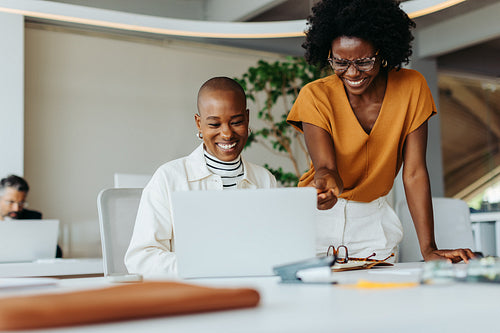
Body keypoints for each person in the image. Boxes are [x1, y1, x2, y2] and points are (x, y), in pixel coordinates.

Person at [287, 0, 475, 263]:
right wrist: (327, 184)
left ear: (382, 51)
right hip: (318, 219)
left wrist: (429, 249)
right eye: (340, 62)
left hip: (373, 223)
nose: (352, 73)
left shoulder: (412, 87)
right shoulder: (315, 96)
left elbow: (414, 173)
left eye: (364, 62)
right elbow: (326, 167)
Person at [125, 77, 277, 276]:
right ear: (199, 123)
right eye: (214, 124)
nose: (226, 133)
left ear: (247, 118)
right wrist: (209, 266)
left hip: (251, 291)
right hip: (193, 296)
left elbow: (276, 249)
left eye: (236, 122)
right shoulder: (169, 177)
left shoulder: (265, 180)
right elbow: (141, 259)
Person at [0, 174, 63, 258]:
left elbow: (56, 253)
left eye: (21, 203)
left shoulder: (33, 218)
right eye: (10, 202)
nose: (16, 208)